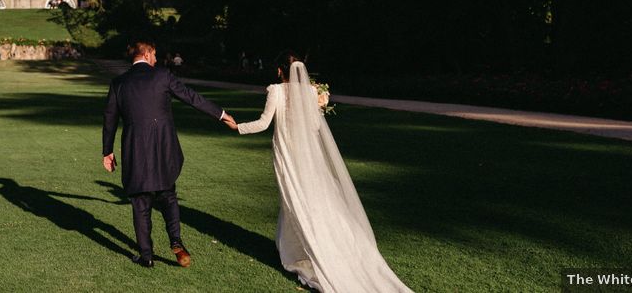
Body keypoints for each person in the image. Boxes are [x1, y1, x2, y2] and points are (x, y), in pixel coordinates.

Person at [236, 52, 413, 293]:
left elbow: (264, 123)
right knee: (312, 200)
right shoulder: (311, 92)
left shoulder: (276, 90)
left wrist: (238, 126)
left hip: (288, 155)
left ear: (279, 71)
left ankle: (311, 249)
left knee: (295, 201)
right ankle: (297, 246)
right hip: (309, 157)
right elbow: (316, 127)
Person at [103, 40, 238, 268]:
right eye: (154, 55)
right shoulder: (162, 76)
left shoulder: (119, 83)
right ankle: (176, 241)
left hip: (135, 151)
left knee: (140, 204)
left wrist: (107, 151)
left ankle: (146, 256)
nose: (156, 59)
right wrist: (221, 114)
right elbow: (191, 97)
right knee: (168, 195)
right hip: (164, 148)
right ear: (146, 54)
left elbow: (109, 119)